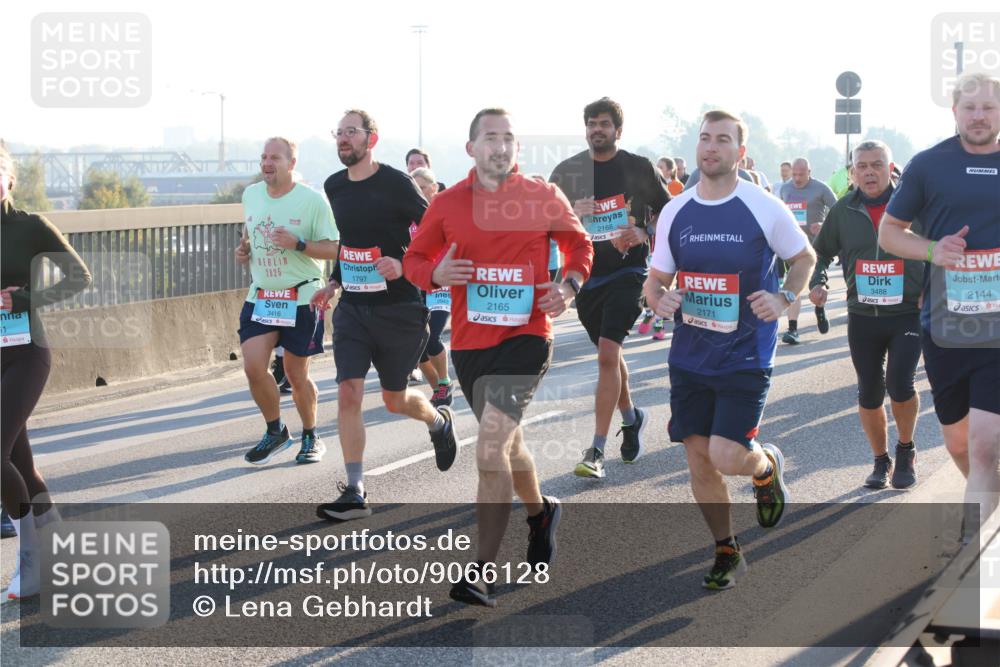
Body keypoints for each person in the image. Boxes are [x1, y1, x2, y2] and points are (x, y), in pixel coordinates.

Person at [404, 108, 593, 607]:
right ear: (471, 149)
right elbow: (414, 261)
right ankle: (541, 513)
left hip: (527, 337)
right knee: (508, 445)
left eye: (509, 138)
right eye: (491, 138)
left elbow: (579, 247)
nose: (501, 146)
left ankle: (479, 572)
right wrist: (438, 276)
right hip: (470, 345)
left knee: (489, 447)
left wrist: (568, 287)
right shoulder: (447, 204)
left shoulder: (541, 195)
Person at [644, 109, 815, 589]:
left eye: (722, 139)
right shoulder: (677, 210)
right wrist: (662, 300)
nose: (711, 147)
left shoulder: (762, 205)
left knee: (725, 455)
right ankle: (725, 549)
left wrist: (785, 297)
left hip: (746, 353)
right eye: (704, 138)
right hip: (689, 355)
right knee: (697, 457)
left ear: (740, 152)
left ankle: (764, 466)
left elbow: (804, 257)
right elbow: (655, 282)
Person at [313, 110, 459, 521]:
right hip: (354, 310)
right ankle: (356, 491)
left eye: (351, 132)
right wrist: (335, 282)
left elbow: (434, 233)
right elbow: (351, 243)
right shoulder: (334, 185)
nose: (343, 139)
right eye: (338, 132)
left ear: (371, 139)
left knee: (395, 400)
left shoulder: (397, 183)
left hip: (399, 309)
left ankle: (437, 420)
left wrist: (403, 260)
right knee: (348, 392)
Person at [879, 72, 1000, 543]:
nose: (978, 115)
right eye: (969, 107)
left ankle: (979, 562)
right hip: (946, 327)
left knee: (984, 445)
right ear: (954, 112)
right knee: (959, 444)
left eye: (988, 107)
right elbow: (889, 233)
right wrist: (933, 251)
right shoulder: (929, 165)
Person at [550, 97, 670, 478]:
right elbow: (545, 219)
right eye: (591, 123)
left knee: (606, 354)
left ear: (618, 130)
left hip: (627, 272)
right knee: (610, 358)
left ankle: (597, 451)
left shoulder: (637, 167)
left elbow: (671, 210)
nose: (596, 129)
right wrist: (571, 210)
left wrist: (644, 231)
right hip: (584, 276)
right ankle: (632, 418)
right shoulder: (567, 172)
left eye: (603, 124)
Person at [1, 145, 92, 599]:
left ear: (9, 178)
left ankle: (32, 561)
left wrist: (24, 300)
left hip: (25, 352)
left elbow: (79, 277)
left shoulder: (30, 227)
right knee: (21, 466)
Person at [808, 140, 923, 489]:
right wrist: (819, 282)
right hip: (863, 316)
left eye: (877, 164)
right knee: (869, 391)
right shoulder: (843, 211)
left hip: (906, 313)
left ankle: (905, 450)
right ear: (852, 172)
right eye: (862, 165)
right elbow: (820, 254)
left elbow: (938, 248)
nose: (869, 171)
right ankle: (880, 460)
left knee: (900, 384)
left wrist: (933, 290)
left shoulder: (914, 208)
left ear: (891, 169)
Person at [235, 137, 340, 466]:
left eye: (275, 158)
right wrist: (244, 251)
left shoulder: (312, 201)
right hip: (263, 295)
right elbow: (250, 233)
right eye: (263, 156)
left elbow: (335, 248)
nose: (267, 163)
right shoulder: (251, 194)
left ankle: (311, 434)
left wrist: (299, 244)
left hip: (302, 296)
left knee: (296, 374)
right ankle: (276, 430)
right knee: (254, 367)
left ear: (291, 163)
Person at [779, 158, 838, 343]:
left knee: (815, 285)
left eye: (801, 174)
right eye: (794, 174)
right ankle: (792, 329)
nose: (797, 178)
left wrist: (824, 225)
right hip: (793, 247)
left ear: (809, 172)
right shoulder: (785, 188)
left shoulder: (821, 188)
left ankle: (819, 308)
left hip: (816, 246)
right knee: (793, 284)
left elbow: (838, 212)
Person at [410, 166, 454, 407]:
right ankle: (439, 389)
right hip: (419, 285)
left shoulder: (446, 212)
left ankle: (445, 382)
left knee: (432, 335)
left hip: (442, 285)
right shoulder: (410, 214)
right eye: (415, 188)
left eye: (424, 187)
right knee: (418, 343)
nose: (420, 192)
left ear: (434, 187)